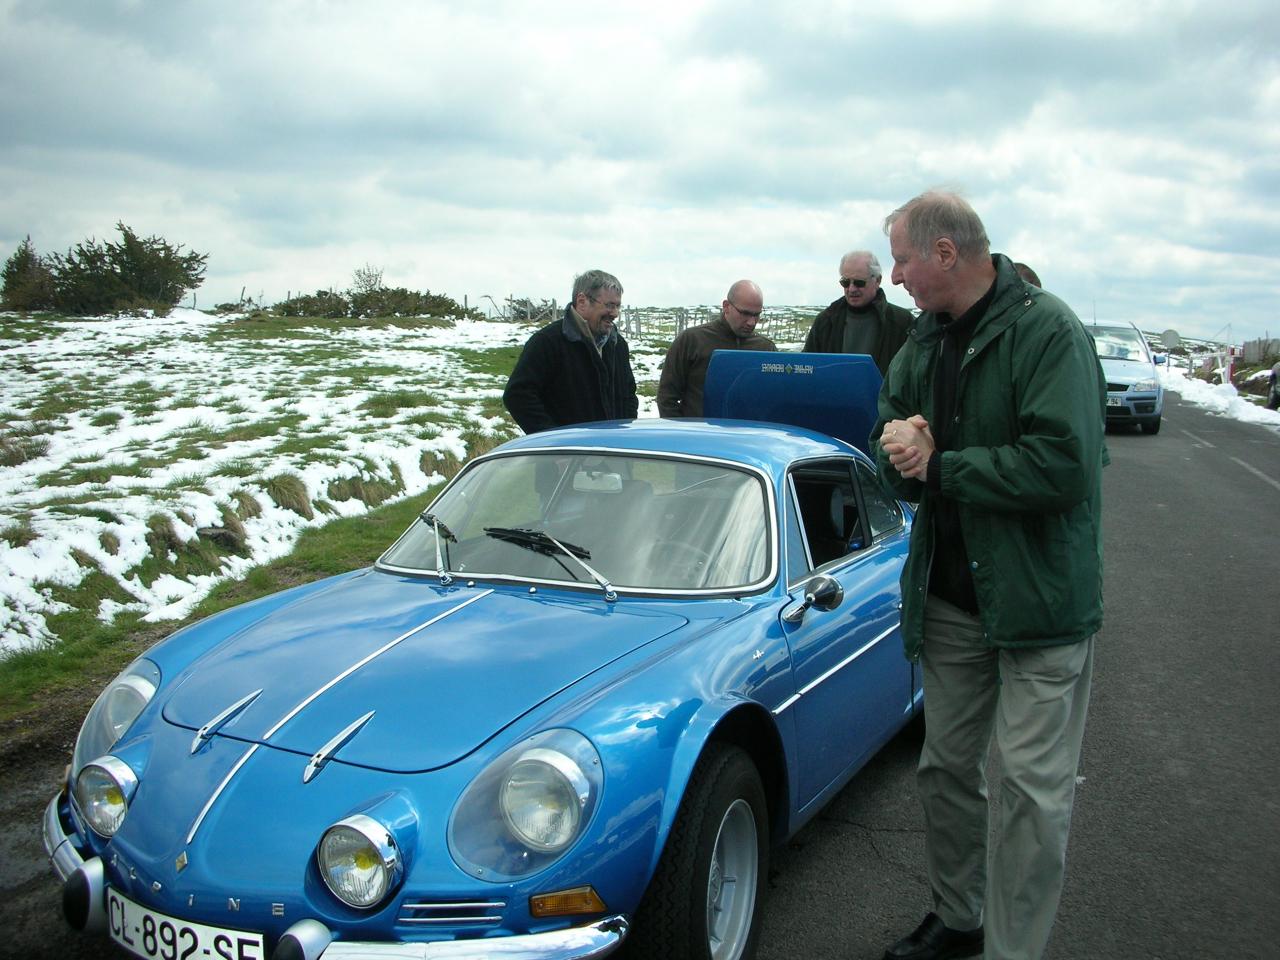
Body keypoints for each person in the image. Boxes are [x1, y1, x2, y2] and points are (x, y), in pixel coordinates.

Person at [872, 191, 1107, 960]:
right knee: (944, 770)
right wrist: (901, 449)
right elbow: (893, 428)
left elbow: (1064, 468)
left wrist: (941, 463)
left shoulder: (1049, 332)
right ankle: (960, 916)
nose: (894, 275)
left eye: (902, 259)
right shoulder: (922, 341)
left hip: (1040, 604)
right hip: (951, 600)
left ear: (945, 254)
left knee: (1032, 797)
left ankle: (1013, 950)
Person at [503, 269, 638, 433]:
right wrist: (554, 441)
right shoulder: (548, 342)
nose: (615, 313)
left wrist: (624, 433)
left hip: (612, 452)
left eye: (618, 306)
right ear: (582, 301)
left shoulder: (618, 345)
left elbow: (629, 395)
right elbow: (518, 396)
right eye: (610, 306)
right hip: (568, 454)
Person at [656, 279, 777, 417]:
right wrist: (681, 433)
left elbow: (774, 400)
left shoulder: (766, 349)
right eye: (745, 313)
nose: (751, 322)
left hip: (748, 436)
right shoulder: (692, 340)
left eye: (756, 315)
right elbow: (666, 397)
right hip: (700, 435)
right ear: (726, 306)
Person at [803, 249, 913, 374]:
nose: (851, 289)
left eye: (859, 283)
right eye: (845, 282)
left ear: (877, 280)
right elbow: (807, 369)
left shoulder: (902, 322)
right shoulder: (826, 321)